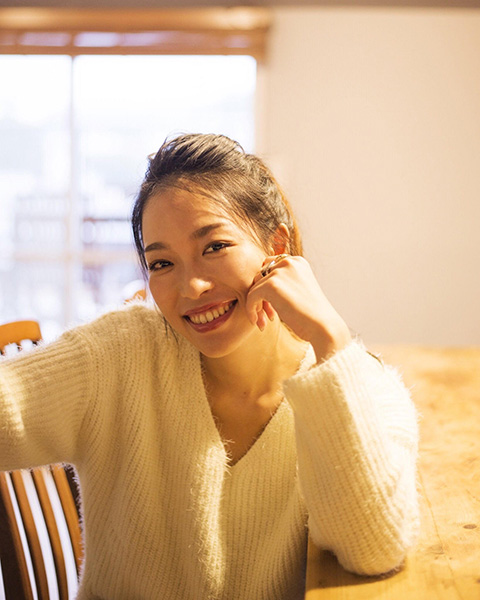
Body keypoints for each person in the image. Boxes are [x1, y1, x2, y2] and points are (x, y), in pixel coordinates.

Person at [0, 133, 419, 600]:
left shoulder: (363, 388)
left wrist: (332, 340)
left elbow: (373, 550)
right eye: (162, 263)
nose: (191, 287)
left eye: (215, 247)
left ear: (276, 245)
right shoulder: (119, 354)